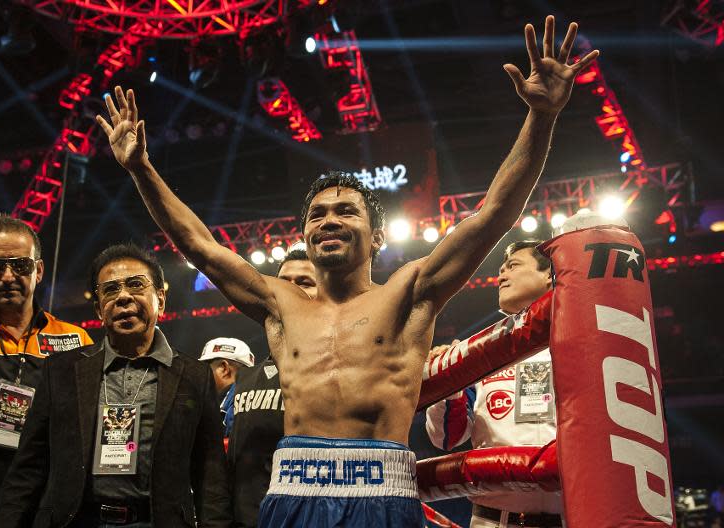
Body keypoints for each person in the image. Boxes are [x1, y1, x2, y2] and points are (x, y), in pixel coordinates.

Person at [96, 16, 598, 527]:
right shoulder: (280, 303)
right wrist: (141, 168)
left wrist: (542, 117)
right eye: (317, 214)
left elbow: (493, 213)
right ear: (305, 237)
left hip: (382, 493)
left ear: (377, 236)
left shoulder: (410, 291)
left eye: (345, 211)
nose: (329, 220)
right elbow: (200, 246)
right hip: (292, 491)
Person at [0, 243, 232, 527]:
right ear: (98, 308)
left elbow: (211, 474)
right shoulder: (61, 371)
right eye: (110, 290)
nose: (123, 297)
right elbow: (28, 469)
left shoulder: (195, 375)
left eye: (135, 285)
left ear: (161, 299)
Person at [0, 213, 93, 527]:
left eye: (20, 265)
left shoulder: (75, 340)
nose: (7, 276)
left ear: (39, 270)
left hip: (43, 506)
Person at [425, 240, 560, 528]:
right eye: (500, 270)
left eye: (513, 266)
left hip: (569, 517)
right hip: (492, 520)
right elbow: (448, 438)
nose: (501, 276)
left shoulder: (576, 343)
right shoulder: (479, 352)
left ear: (549, 274)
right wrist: (450, 383)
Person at [225, 249, 317, 527]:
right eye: (283, 281)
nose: (290, 290)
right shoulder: (243, 380)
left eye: (304, 282)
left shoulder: (348, 369)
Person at [199, 336, 255, 428]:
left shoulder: (234, 406)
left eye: (205, 369)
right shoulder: (252, 398)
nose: (200, 375)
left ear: (224, 368)